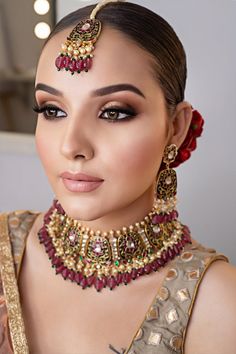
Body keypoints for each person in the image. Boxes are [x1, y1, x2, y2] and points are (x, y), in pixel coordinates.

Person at [0, 0, 236, 353]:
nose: (72, 145)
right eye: (53, 110)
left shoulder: (216, 303)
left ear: (176, 127)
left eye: (113, 113)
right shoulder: (4, 249)